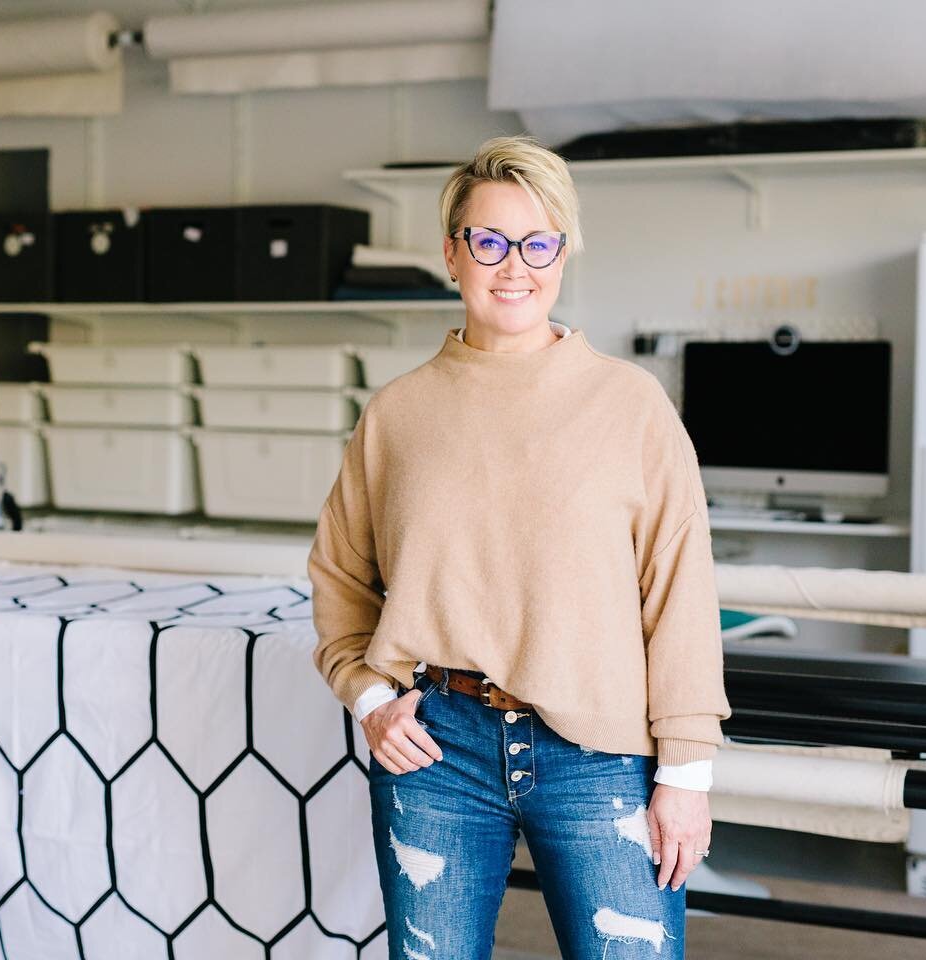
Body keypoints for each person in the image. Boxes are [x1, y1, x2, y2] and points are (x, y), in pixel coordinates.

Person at [308, 135, 730, 959]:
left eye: (539, 243)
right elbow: (337, 573)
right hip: (437, 752)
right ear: (452, 254)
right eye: (490, 241)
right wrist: (366, 697)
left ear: (563, 255)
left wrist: (685, 775)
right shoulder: (397, 415)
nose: (515, 266)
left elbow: (679, 593)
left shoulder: (631, 406)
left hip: (601, 755)